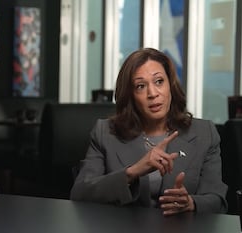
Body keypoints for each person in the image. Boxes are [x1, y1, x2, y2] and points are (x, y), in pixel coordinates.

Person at [70, 48, 227, 215]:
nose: (153, 93)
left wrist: (191, 203)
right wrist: (132, 172)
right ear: (130, 95)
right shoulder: (105, 133)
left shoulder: (204, 133)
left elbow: (218, 201)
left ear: (170, 86)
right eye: (140, 86)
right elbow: (79, 194)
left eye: (159, 81)